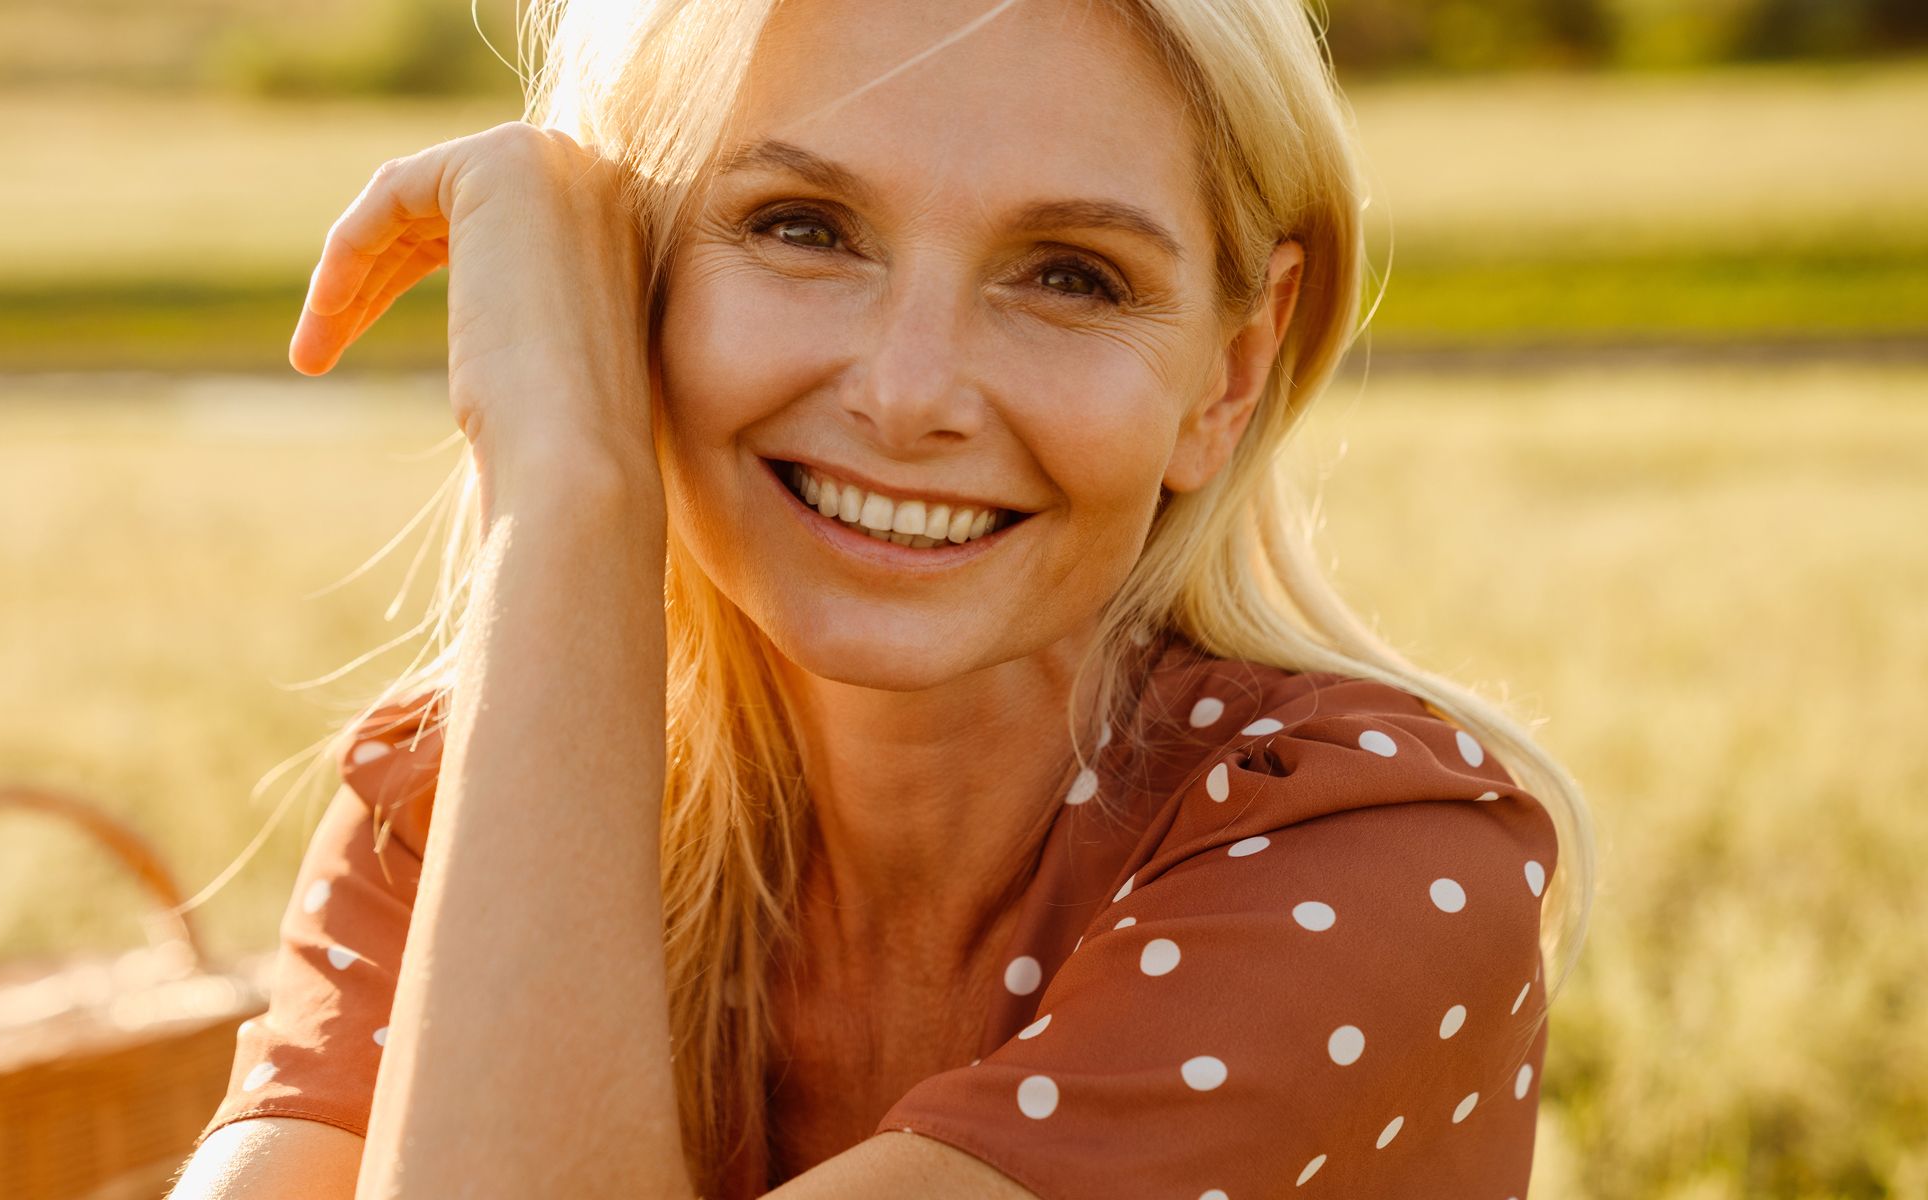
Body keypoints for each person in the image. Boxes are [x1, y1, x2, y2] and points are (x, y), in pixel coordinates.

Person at [167, 0, 1595, 1196]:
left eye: (1069, 275)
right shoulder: (459, 798)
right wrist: (574, 488)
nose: (911, 395)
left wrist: (579, 493)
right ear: (629, 279)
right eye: (802, 227)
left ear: (1227, 375)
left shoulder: (1376, 868)